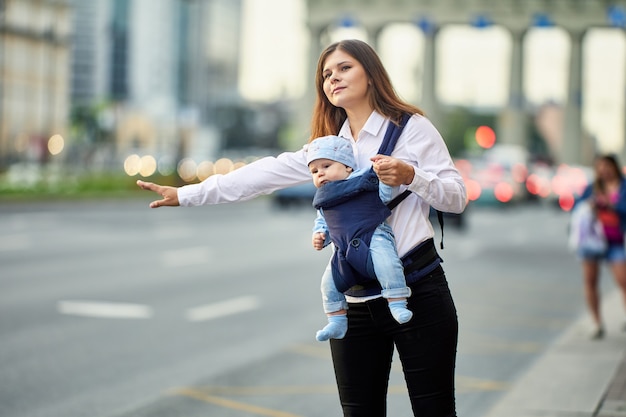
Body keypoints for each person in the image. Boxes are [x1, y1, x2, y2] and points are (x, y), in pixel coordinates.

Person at [137, 39, 467, 416]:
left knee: (435, 410)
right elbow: (261, 175)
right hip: (356, 300)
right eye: (326, 74)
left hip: (418, 292)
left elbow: (456, 197)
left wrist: (412, 175)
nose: (333, 79)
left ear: (372, 75)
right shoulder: (327, 148)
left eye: (344, 68)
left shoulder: (412, 129)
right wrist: (186, 194)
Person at [306, 135, 413, 342]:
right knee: (328, 283)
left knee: (387, 264)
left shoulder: (362, 180)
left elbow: (384, 196)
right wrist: (319, 236)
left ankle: (397, 302)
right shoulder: (324, 197)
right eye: (314, 171)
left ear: (347, 167)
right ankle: (336, 320)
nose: (320, 173)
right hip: (342, 248)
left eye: (326, 166)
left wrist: (384, 177)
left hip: (374, 235)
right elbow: (323, 222)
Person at [574, 154, 626, 340]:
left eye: (607, 166)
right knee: (590, 282)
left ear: (614, 167)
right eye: (600, 166)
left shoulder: (623, 186)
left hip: (616, 240)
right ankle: (597, 323)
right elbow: (577, 208)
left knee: (623, 280)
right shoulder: (591, 189)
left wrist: (612, 205)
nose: (604, 170)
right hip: (592, 240)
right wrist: (590, 205)